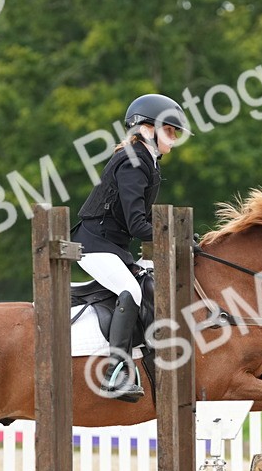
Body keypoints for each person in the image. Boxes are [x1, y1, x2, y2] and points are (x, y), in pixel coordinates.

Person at [72, 93, 190, 402]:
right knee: (132, 291)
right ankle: (116, 371)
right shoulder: (133, 162)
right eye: (170, 130)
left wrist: (183, 236)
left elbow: (140, 217)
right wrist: (174, 242)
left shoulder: (144, 160)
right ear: (148, 129)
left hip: (112, 246)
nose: (174, 138)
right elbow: (138, 225)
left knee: (147, 285)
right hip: (94, 245)